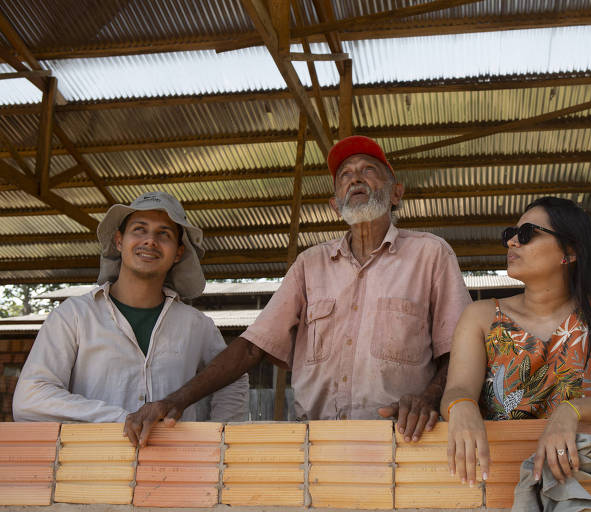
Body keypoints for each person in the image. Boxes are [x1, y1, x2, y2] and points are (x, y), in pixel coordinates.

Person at [123, 136, 472, 447]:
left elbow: (460, 351)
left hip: (404, 440)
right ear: (335, 203)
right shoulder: (310, 264)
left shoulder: (430, 254)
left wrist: (428, 398)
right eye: (345, 175)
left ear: (397, 192)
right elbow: (251, 348)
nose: (355, 177)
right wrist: (175, 401)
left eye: (369, 169)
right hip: (316, 445)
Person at [441, 197, 591, 487]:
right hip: (504, 483)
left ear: (569, 251)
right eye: (510, 234)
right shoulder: (480, 316)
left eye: (527, 233)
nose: (512, 243)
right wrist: (462, 406)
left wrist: (571, 411)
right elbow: (457, 390)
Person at [13, 191, 249, 423]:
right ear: (119, 241)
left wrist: (218, 437)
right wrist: (122, 419)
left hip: (174, 461)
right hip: (91, 460)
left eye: (164, 234)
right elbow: (30, 398)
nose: (150, 241)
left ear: (178, 253)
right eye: (139, 229)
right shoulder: (74, 315)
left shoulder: (197, 326)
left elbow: (233, 377)